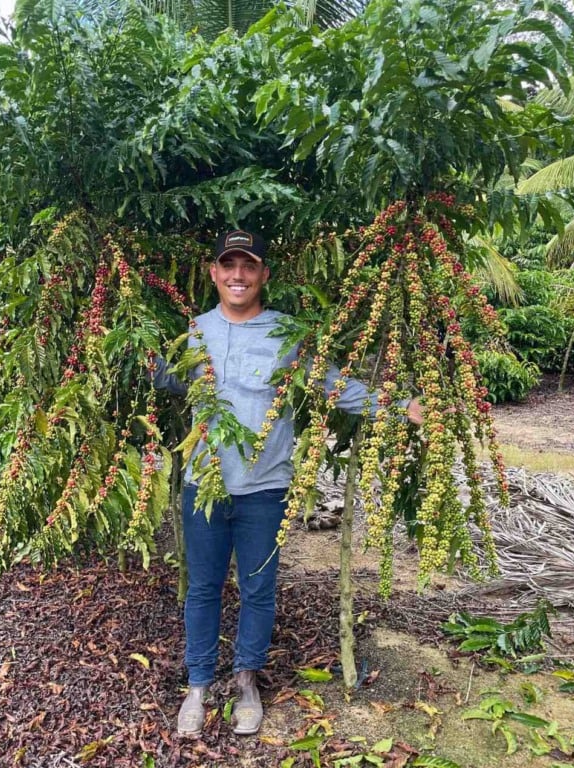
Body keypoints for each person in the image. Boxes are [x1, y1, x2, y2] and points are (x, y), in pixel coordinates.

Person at [153, 229, 423, 737]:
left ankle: (247, 680)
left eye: (248, 266)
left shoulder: (286, 334)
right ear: (214, 273)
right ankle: (197, 685)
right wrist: (122, 350)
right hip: (202, 486)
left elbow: (332, 385)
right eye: (228, 265)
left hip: (265, 488)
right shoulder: (192, 332)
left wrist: (397, 407)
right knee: (203, 588)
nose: (238, 275)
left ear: (263, 276)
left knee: (257, 588)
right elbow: (166, 378)